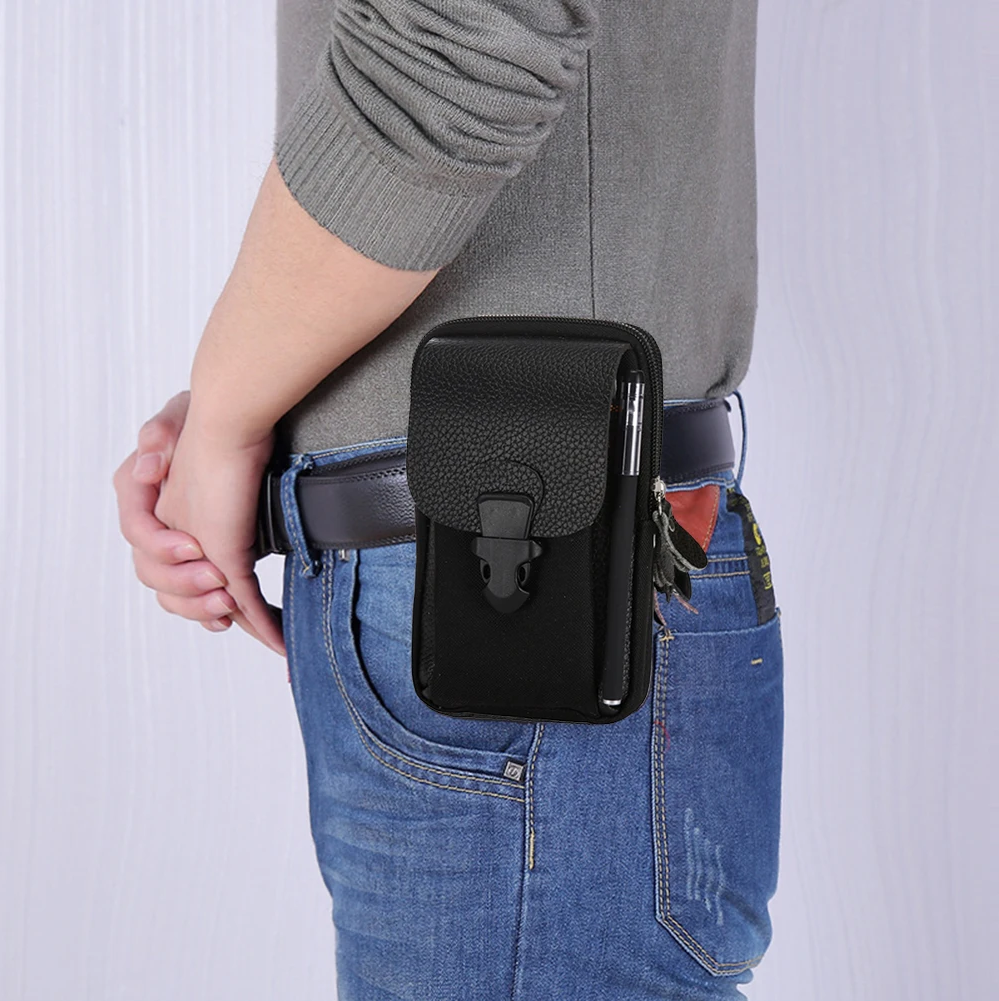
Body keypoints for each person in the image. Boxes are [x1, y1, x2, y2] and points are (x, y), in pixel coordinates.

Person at [113, 1, 784, 997]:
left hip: (525, 575)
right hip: (510, 546)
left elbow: (463, 37)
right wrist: (250, 393)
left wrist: (225, 418)